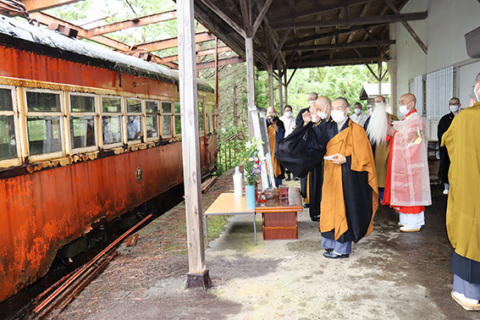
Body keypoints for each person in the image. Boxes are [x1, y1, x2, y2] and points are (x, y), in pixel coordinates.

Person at [304, 97, 378, 259]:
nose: (336, 111)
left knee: (344, 210)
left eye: (340, 108)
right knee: (329, 208)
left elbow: (365, 157)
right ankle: (331, 245)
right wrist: (307, 123)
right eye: (334, 108)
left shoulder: (356, 130)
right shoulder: (327, 127)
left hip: (348, 177)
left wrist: (347, 159)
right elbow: (314, 143)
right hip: (330, 174)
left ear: (346, 110)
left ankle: (342, 249)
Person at [442, 73, 480, 311]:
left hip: (473, 191)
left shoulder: (468, 117)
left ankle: (470, 294)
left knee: (471, 233)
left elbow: (447, 140)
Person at [383, 93, 431, 232]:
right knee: (404, 190)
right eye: (399, 102)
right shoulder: (408, 118)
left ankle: (415, 222)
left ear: (412, 104)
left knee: (413, 191)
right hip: (405, 161)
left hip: (413, 162)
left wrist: (395, 134)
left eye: (403, 102)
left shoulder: (415, 119)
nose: (401, 105)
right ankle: (405, 219)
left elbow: (414, 140)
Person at [364, 95, 399, 201]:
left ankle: (388, 196)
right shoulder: (370, 120)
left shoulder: (392, 118)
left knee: (387, 173)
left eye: (382, 101)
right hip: (374, 150)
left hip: (389, 149)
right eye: (377, 101)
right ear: (374, 104)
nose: (380, 103)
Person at [304, 96, 331, 222]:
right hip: (314, 162)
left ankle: (319, 212)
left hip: (322, 162)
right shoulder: (316, 125)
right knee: (314, 187)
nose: (312, 115)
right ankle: (315, 211)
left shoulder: (325, 125)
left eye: (314, 112)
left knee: (320, 188)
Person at [296, 92, 318, 208]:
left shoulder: (321, 112)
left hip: (316, 149)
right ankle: (306, 199)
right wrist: (306, 122)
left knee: (316, 177)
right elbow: (298, 128)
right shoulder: (303, 112)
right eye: (310, 99)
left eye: (314, 99)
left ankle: (315, 199)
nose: (312, 101)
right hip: (304, 148)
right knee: (305, 176)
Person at [437, 97, 461, 195]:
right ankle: (447, 186)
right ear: (448, 106)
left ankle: (459, 186)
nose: (453, 106)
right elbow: (441, 134)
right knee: (447, 166)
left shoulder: (463, 117)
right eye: (451, 104)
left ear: (460, 105)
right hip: (448, 148)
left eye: (455, 104)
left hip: (460, 147)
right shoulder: (445, 119)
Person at [266, 106, 285, 187]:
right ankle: (268, 185)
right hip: (267, 149)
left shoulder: (280, 122)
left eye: (272, 112)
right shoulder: (265, 122)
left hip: (277, 149)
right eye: (269, 113)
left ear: (275, 113)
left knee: (277, 168)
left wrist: (275, 124)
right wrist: (266, 120)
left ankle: (278, 186)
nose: (271, 114)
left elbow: (280, 135)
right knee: (267, 168)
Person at [280, 105, 296, 181]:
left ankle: (295, 174)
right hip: (284, 140)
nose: (288, 112)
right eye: (287, 110)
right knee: (286, 158)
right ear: (284, 112)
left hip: (293, 141)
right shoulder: (281, 119)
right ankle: (288, 174)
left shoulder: (295, 120)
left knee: (294, 157)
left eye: (290, 110)